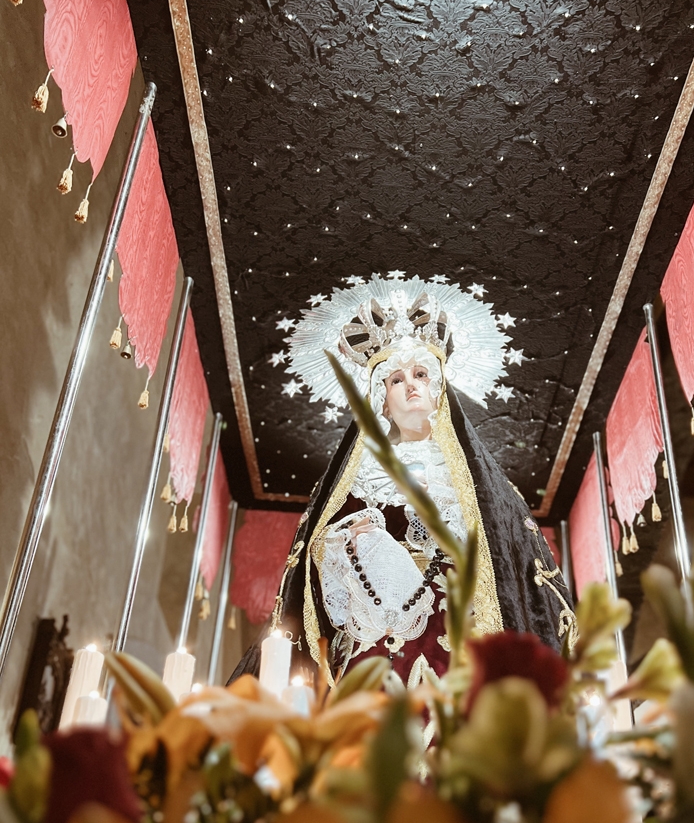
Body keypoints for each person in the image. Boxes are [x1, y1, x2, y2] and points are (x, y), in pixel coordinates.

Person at [232, 275, 575, 688]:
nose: (411, 385)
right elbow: (318, 553)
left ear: (438, 389)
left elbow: (513, 560)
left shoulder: (478, 479)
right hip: (382, 625)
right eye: (397, 379)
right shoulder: (360, 474)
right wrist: (357, 540)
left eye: (420, 375)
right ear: (383, 399)